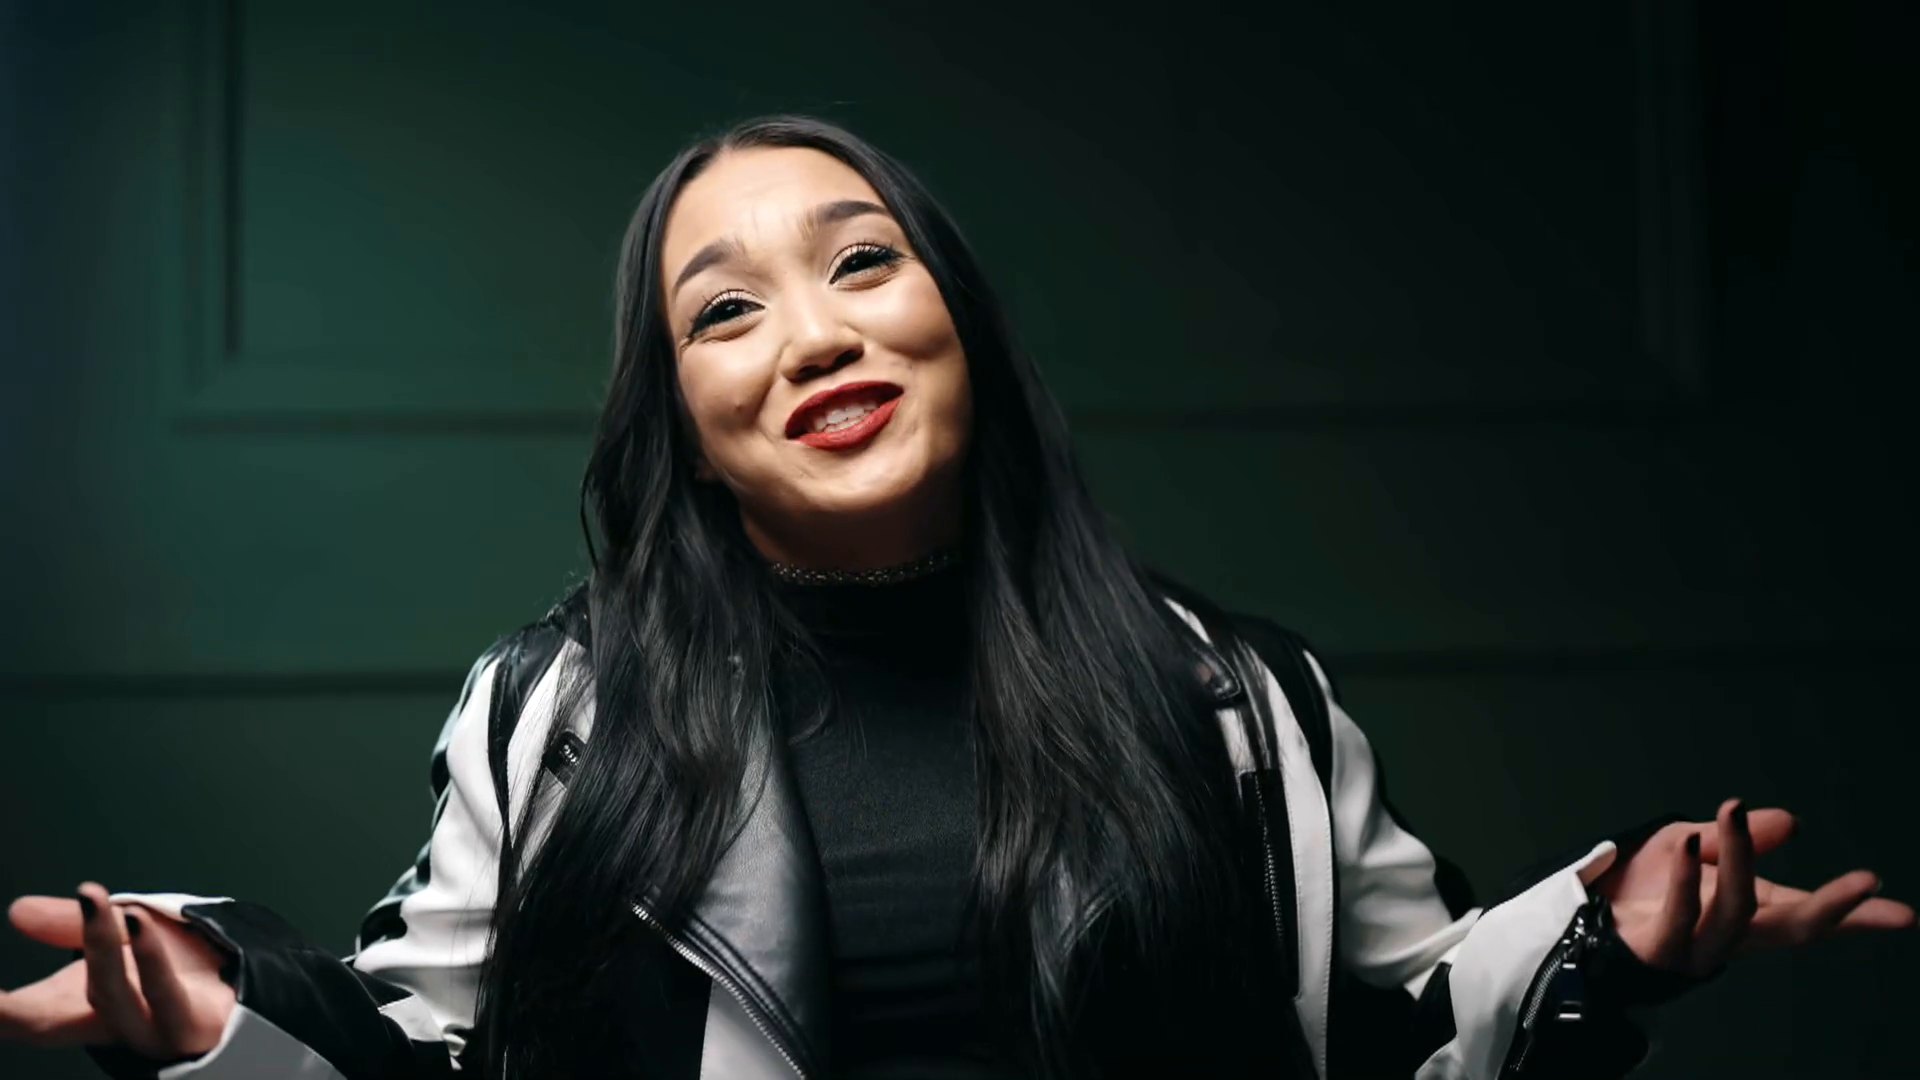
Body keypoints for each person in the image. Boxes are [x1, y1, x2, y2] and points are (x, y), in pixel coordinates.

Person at [2, 115, 1911, 1080]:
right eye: (727, 310)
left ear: (958, 321)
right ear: (683, 422)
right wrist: (222, 1015)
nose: (814, 334)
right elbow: (422, 1061)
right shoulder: (555, 715)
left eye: (863, 263)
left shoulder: (1236, 696)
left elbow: (1397, 1032)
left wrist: (1604, 946)